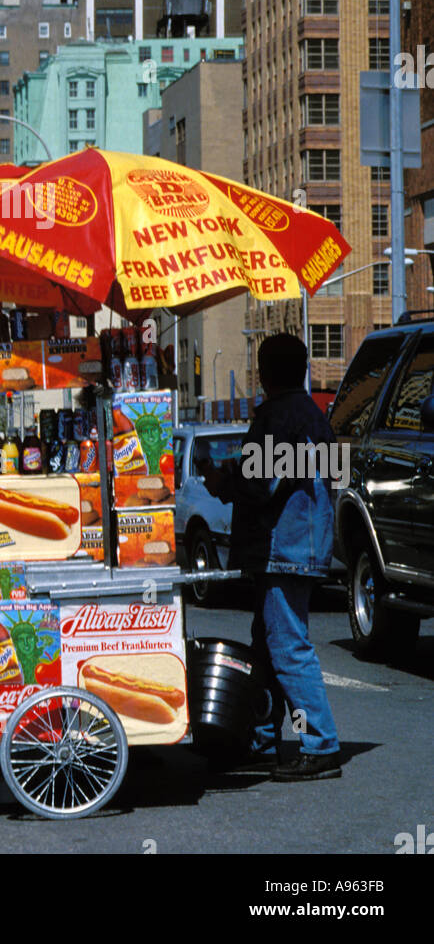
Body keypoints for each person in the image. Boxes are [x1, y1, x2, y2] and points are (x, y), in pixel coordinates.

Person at [198, 331, 341, 781]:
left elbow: (263, 485)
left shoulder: (281, 417)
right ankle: (261, 737)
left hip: (285, 548)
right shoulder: (313, 417)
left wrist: (223, 483)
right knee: (267, 646)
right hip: (302, 546)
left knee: (287, 646)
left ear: (264, 373)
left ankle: (321, 744)